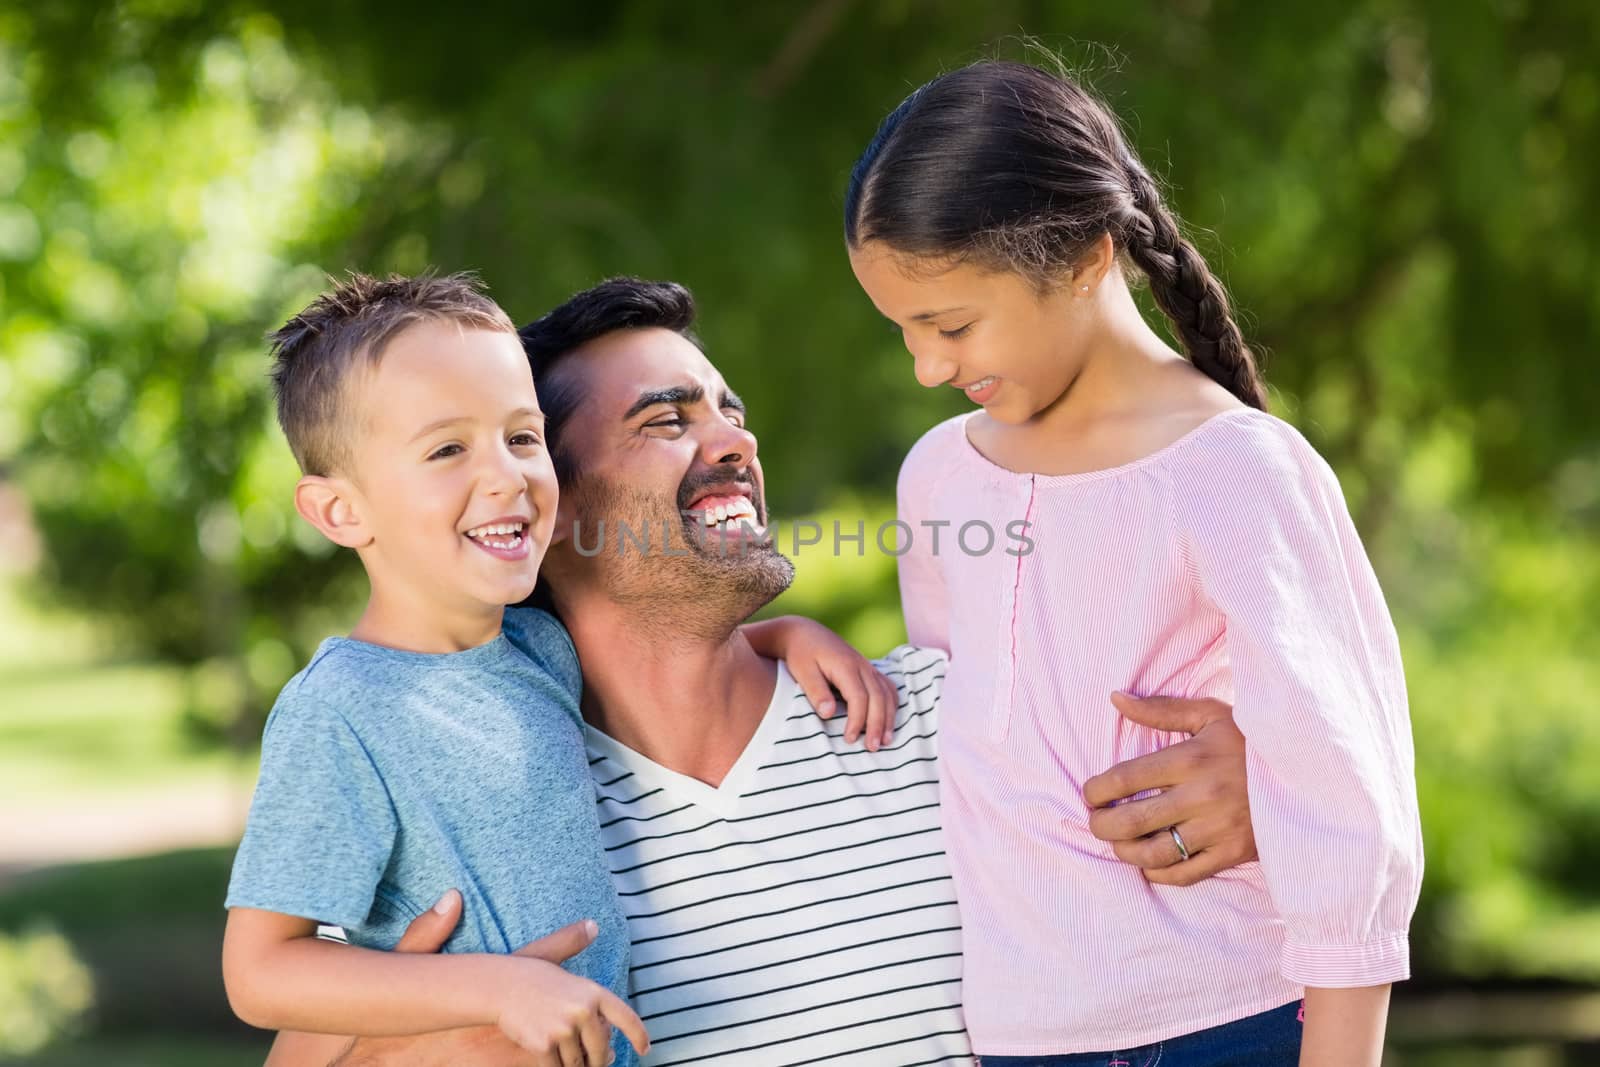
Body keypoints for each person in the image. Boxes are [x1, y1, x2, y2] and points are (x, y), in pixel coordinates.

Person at [264, 278, 1262, 1067]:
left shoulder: (927, 715)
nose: (734, 440)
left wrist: (1258, 788)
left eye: (729, 411)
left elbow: (1233, 773)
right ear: (552, 507)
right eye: (665, 421)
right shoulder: (493, 788)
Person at [844, 60, 1425, 1067]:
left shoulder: (1234, 467)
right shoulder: (938, 476)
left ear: (1082, 257)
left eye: (949, 324)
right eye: (902, 331)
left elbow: (1346, 806)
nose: (928, 367)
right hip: (1014, 1038)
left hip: (1227, 1022)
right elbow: (956, 738)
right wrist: (784, 638)